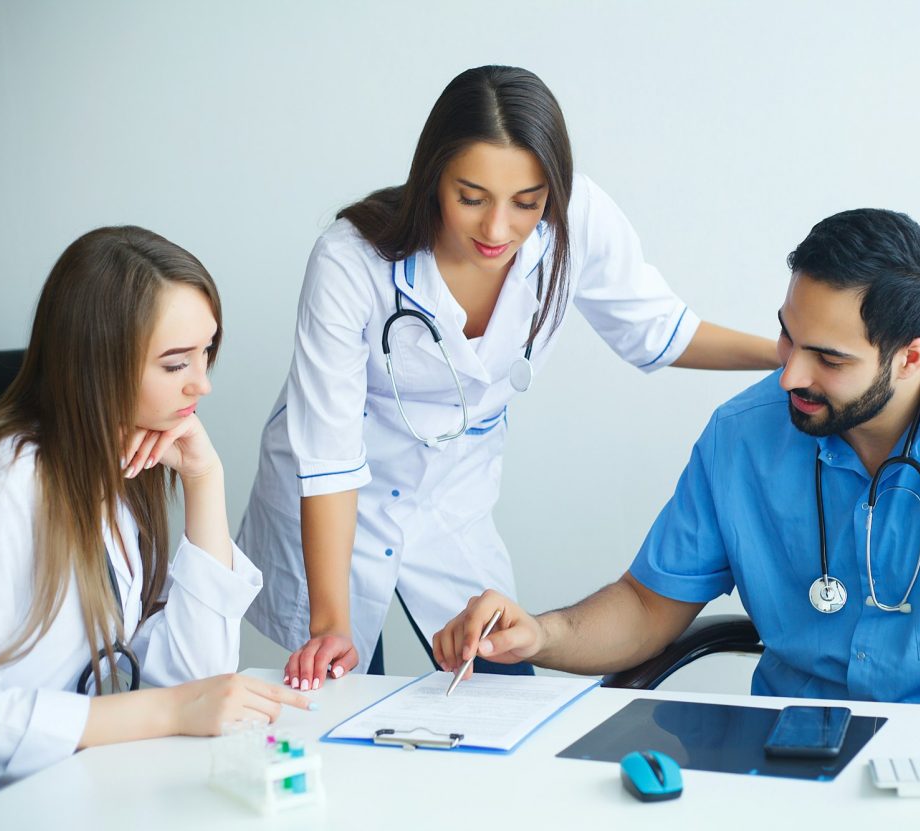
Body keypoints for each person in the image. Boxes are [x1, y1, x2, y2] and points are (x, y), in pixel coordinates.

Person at [239, 65, 779, 692]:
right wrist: (329, 622)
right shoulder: (350, 260)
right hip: (333, 510)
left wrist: (788, 354)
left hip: (451, 501)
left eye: (527, 202)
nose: (499, 230)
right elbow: (329, 456)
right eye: (471, 197)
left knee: (499, 683)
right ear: (432, 177)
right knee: (342, 691)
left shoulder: (576, 219)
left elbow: (658, 329)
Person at [434, 207, 920, 706]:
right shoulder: (741, 435)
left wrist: (907, 743)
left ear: (911, 357)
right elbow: (648, 607)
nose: (789, 375)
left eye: (830, 359)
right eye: (788, 337)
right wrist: (539, 633)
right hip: (790, 753)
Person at [0, 227, 311, 786]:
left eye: (206, 354)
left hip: (88, 788)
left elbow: (197, 677)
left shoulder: (122, 469)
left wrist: (205, 480)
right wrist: (164, 711)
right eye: (176, 365)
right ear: (97, 364)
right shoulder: (5, 478)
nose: (202, 386)